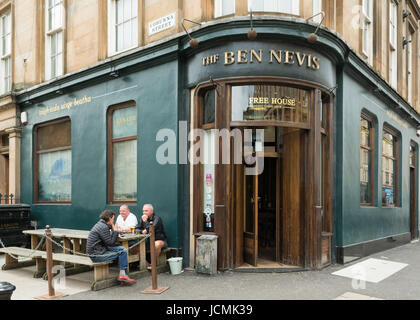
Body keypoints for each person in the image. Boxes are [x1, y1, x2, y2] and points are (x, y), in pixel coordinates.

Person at [87, 209, 136, 284]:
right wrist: (116, 231)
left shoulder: (100, 224)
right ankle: (123, 275)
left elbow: (108, 240)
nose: (113, 221)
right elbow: (111, 243)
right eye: (113, 219)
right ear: (109, 218)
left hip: (99, 251)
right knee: (122, 252)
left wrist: (114, 230)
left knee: (122, 249)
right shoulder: (103, 227)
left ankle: (123, 275)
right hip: (97, 255)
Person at [134, 204, 168, 270]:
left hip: (160, 240)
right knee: (133, 249)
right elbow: (136, 228)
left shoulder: (157, 219)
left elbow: (151, 229)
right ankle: (147, 264)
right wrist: (142, 231)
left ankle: (153, 264)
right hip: (148, 242)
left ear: (152, 211)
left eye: (146, 211)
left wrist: (145, 222)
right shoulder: (142, 218)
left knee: (156, 244)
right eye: (143, 211)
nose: (144, 213)